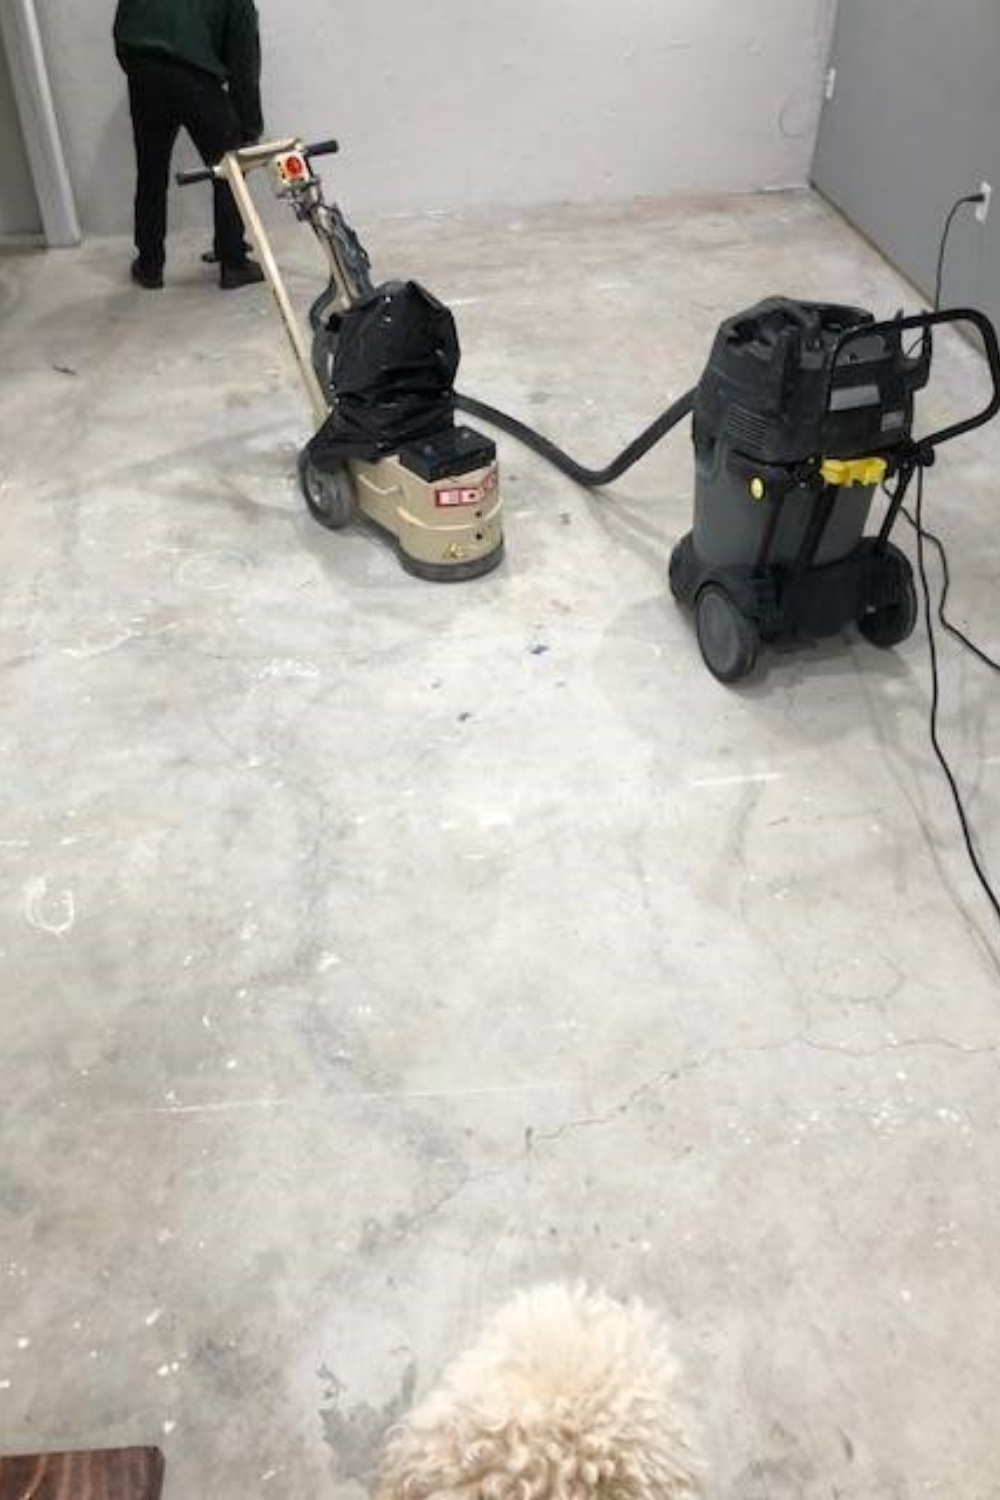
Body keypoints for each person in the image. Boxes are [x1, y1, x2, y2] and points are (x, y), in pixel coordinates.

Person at [114, 0, 267, 290]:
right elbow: (243, 64)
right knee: (230, 167)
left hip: (144, 71)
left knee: (150, 171)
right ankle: (233, 261)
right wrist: (249, 128)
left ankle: (149, 265)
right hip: (195, 76)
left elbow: (122, 28)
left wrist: (141, 70)